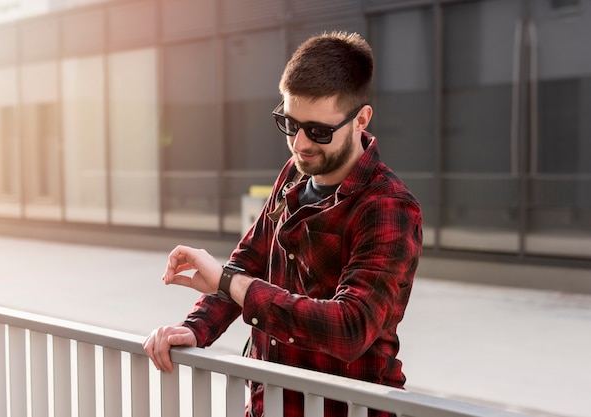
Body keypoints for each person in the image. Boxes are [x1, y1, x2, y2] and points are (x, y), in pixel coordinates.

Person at [143, 31, 423, 417]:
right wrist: (196, 327)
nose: (300, 143)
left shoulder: (388, 205)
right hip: (270, 404)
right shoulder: (293, 172)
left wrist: (230, 282)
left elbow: (351, 328)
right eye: (290, 124)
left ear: (361, 119)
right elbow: (250, 261)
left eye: (319, 131)